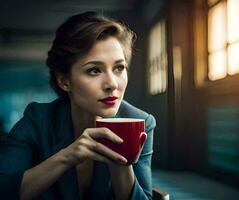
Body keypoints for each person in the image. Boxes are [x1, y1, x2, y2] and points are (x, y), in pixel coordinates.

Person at [0, 11, 155, 200]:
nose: (112, 84)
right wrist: (67, 157)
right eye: (94, 70)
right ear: (64, 81)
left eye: (119, 68)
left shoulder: (140, 123)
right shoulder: (38, 120)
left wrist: (121, 165)